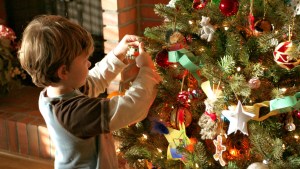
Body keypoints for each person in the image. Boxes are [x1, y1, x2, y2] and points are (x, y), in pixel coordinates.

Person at [18, 15, 161, 169]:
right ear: (64, 71)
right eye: (84, 59)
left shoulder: (58, 92)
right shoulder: (75, 113)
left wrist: (118, 54)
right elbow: (133, 108)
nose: (89, 63)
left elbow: (95, 80)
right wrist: (147, 70)